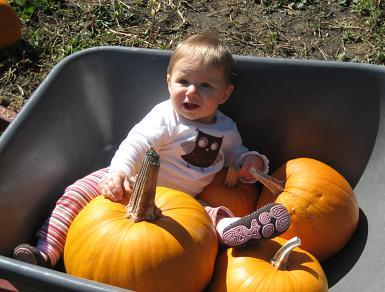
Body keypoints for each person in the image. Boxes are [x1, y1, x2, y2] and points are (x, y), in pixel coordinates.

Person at [13, 34, 290, 268]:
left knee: (212, 216)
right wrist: (118, 171)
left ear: (224, 94)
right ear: (169, 82)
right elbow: (137, 142)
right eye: (184, 82)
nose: (192, 92)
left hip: (182, 202)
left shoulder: (227, 129)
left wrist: (251, 163)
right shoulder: (165, 117)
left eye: (205, 86)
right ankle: (45, 251)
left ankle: (236, 231)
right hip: (130, 183)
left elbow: (237, 155)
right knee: (76, 194)